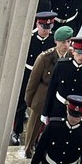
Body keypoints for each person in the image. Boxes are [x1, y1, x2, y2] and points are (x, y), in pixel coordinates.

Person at [23, 26, 73, 157]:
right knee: (34, 127)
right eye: (63, 42)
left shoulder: (71, 56)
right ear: (56, 42)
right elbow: (32, 82)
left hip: (59, 98)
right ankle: (28, 151)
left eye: (68, 41)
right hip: (42, 96)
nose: (66, 45)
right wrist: (30, 101)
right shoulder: (45, 57)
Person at [13, 11, 57, 145]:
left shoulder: (53, 39)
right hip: (28, 71)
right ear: (38, 24)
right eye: (44, 27)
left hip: (45, 77)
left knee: (43, 105)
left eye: (49, 27)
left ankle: (39, 135)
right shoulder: (29, 38)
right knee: (21, 103)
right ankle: (17, 130)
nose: (46, 31)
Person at [42, 37, 82, 125]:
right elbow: (52, 88)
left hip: (78, 113)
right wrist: (45, 112)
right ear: (73, 52)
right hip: (59, 108)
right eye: (79, 53)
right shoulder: (62, 65)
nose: (81, 57)